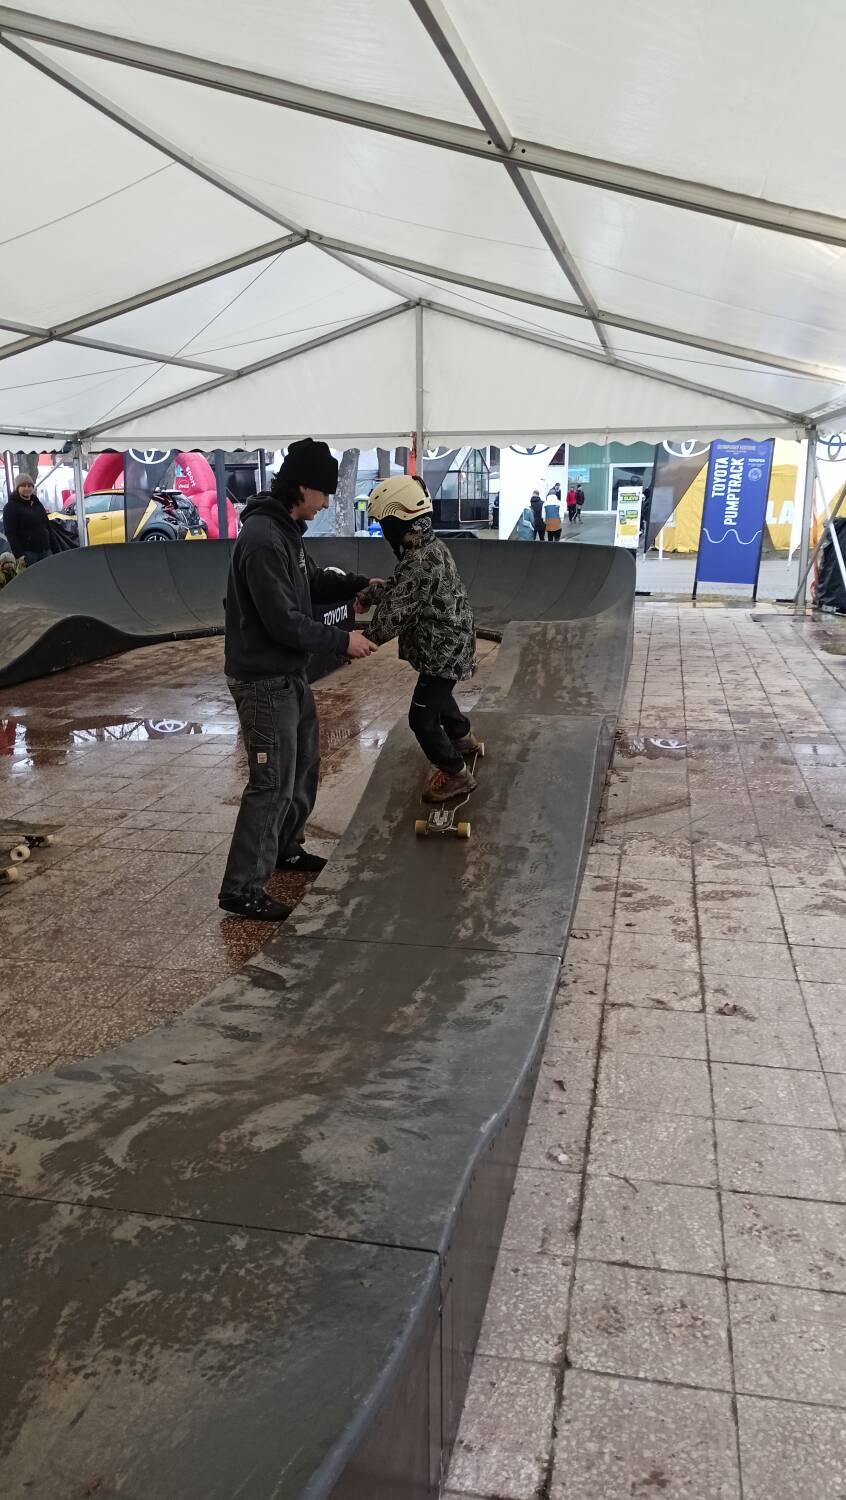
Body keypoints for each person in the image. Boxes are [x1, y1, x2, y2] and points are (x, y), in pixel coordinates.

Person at [218, 438, 377, 922]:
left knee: (304, 764)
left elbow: (310, 582)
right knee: (271, 782)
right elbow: (283, 621)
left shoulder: (286, 531)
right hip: (263, 680)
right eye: (324, 493)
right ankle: (242, 888)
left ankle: (286, 847)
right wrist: (342, 641)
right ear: (303, 488)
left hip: (287, 674)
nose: (327, 502)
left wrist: (359, 585)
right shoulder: (264, 539)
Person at [360, 475, 479, 803]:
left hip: (444, 651)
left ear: (400, 520)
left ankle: (456, 774)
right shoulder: (428, 548)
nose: (384, 531)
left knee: (421, 719)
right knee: (438, 696)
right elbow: (401, 589)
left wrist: (359, 641)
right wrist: (369, 594)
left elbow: (394, 615)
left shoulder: (419, 563)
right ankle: (462, 738)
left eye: (385, 524)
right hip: (448, 648)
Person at [2, 476, 52, 564]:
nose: (27, 488)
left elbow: (48, 527)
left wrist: (55, 548)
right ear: (17, 488)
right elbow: (10, 533)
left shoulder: (37, 504)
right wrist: (19, 555)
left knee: (49, 573)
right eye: (23, 485)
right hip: (28, 553)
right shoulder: (10, 507)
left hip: (46, 551)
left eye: (29, 486)